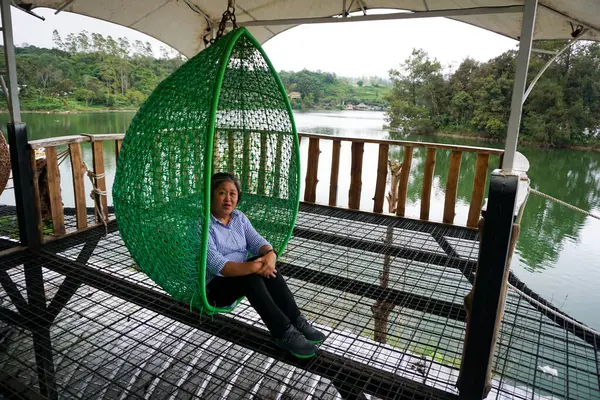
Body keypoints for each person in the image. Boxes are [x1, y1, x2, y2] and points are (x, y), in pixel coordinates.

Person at [206, 172, 325, 358]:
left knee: (268, 269)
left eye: (233, 194)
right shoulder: (203, 224)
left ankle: (296, 320)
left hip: (243, 275)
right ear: (211, 195)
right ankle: (283, 332)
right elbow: (219, 266)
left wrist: (270, 256)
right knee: (253, 274)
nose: (228, 199)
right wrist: (256, 267)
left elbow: (257, 242)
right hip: (215, 287)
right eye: (222, 193)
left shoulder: (239, 218)